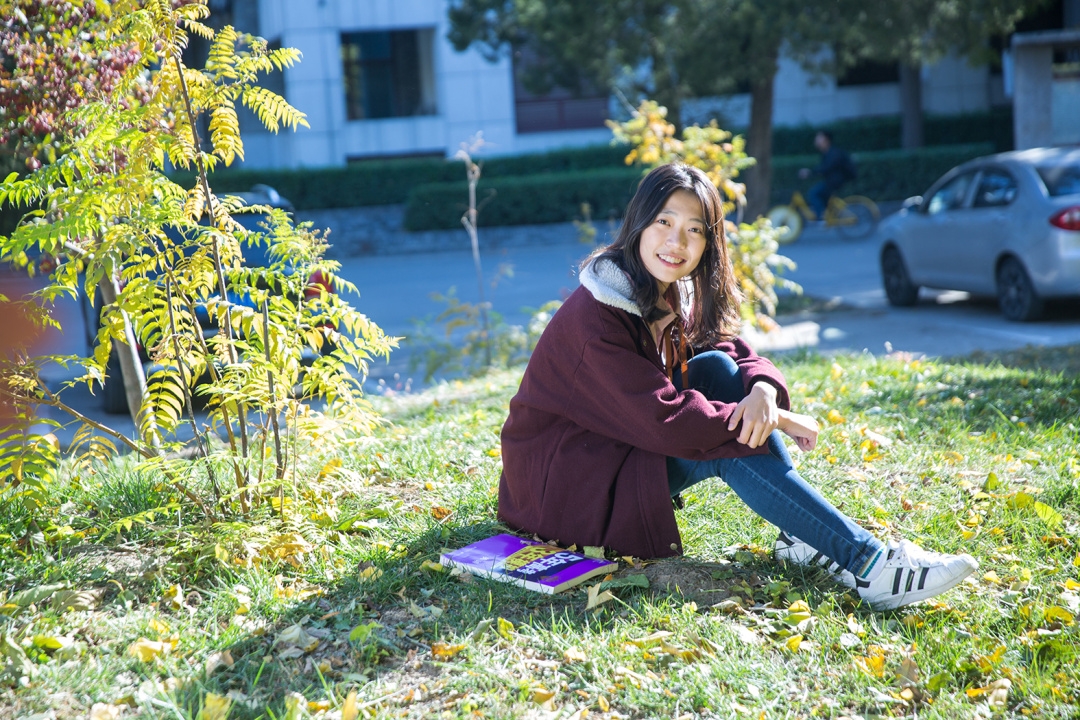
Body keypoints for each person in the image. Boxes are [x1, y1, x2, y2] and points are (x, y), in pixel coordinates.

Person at [498, 163, 977, 610]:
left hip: (609, 448)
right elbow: (665, 421)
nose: (677, 241)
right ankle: (869, 565)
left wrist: (765, 393)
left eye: (694, 230)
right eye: (664, 222)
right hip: (565, 486)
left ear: (709, 242)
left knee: (719, 372)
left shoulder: (660, 287)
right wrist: (779, 419)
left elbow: (728, 347)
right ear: (638, 223)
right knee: (728, 443)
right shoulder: (598, 318)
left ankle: (802, 540)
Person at [798, 130, 856, 221]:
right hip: (834, 180)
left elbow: (825, 168)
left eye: (819, 138)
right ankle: (827, 214)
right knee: (821, 195)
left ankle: (821, 217)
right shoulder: (829, 152)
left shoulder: (832, 153)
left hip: (835, 181)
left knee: (813, 193)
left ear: (826, 140)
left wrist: (810, 173)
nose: (816, 140)